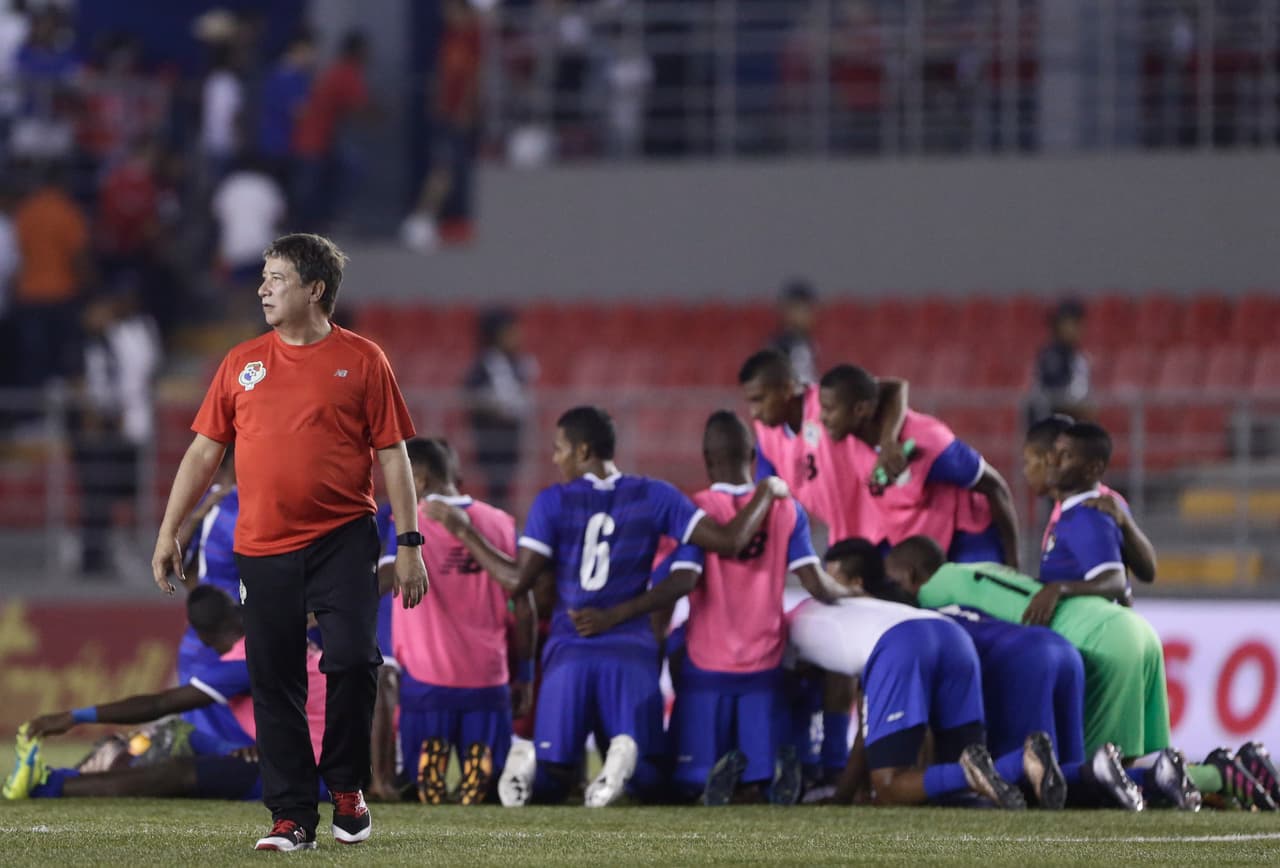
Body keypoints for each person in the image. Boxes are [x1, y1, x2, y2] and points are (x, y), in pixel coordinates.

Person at [150, 233, 427, 852]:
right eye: (264, 277)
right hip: (264, 547)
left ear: (314, 289)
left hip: (344, 540)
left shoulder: (362, 360)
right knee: (275, 681)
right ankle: (292, 816)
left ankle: (347, 785)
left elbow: (393, 455)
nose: (263, 288)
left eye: (276, 278)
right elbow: (203, 452)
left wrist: (408, 542)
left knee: (354, 661)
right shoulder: (241, 362)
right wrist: (170, 530)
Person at [433, 405, 791, 807]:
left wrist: (462, 530)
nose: (555, 458)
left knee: (555, 777)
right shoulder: (655, 495)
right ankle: (625, 762)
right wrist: (766, 490)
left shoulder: (554, 501)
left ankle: (528, 759)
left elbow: (517, 581)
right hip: (630, 654)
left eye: (560, 449)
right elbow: (728, 542)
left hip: (570, 652)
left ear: (583, 451)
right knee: (652, 783)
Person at [881, 537, 1280, 811]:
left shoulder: (926, 599)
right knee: (1107, 771)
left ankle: (1213, 775)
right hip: (1119, 629)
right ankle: (1222, 774)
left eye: (895, 580)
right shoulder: (977, 569)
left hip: (1081, 640)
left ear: (914, 576)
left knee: (1074, 782)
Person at [569, 411, 834, 805]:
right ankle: (772, 774)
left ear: (706, 460)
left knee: (685, 782)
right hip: (764, 668)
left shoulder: (697, 509)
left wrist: (628, 624)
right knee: (764, 769)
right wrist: (854, 593)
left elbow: (679, 582)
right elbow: (815, 582)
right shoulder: (787, 509)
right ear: (750, 455)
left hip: (706, 671)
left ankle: (706, 779)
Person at [2, 586, 326, 803]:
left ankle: (49, 784)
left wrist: (73, 716)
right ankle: (97, 765)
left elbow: (159, 703)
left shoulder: (245, 660)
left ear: (199, 636)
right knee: (182, 735)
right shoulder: (272, 638)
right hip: (318, 758)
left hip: (310, 776)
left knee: (178, 771)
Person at [785, 550, 1054, 809]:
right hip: (952, 635)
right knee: (954, 789)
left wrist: (842, 795)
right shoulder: (854, 605)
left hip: (900, 642)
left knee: (889, 785)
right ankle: (1025, 762)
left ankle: (971, 774)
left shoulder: (789, 624)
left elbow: (866, 721)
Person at [833, 537, 1087, 771]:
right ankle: (1110, 772)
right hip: (1061, 647)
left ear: (908, 577)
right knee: (1072, 772)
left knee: (1027, 775)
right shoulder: (952, 599)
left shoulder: (910, 628)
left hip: (1024, 660)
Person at [381, 437, 534, 805]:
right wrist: (525, 674)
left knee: (421, 793)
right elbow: (525, 602)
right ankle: (512, 765)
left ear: (416, 478)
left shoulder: (405, 525)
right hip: (488, 681)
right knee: (481, 796)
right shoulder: (500, 522)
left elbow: (382, 580)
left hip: (426, 685)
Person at [817, 363, 1020, 566]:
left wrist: (1013, 561)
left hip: (969, 540)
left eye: (829, 410)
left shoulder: (930, 443)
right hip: (917, 545)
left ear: (860, 409)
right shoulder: (850, 439)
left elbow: (996, 487)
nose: (821, 418)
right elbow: (889, 387)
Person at [737, 349, 907, 545]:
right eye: (750, 402)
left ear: (786, 389)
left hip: (887, 529)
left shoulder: (828, 401)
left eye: (759, 400)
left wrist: (888, 442)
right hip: (844, 536)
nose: (754, 412)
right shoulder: (767, 431)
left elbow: (894, 388)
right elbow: (766, 484)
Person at [72, 288, 163, 576]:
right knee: (96, 494)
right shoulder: (78, 343)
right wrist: (92, 415)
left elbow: (126, 379)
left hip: (113, 426)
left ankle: (109, 552)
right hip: (91, 430)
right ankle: (92, 556)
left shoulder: (113, 339)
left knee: (115, 492)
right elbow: (79, 383)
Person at [1023, 415, 1156, 600]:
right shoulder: (1064, 507)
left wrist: (1060, 589)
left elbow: (1139, 575)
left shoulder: (1098, 506)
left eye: (1028, 461)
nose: (1025, 471)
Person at [12, 161, 90, 392]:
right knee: (66, 363)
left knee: (33, 362)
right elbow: (79, 257)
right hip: (61, 295)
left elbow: (17, 253)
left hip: (28, 295)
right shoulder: (67, 212)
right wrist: (91, 288)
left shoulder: (25, 212)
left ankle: (34, 417)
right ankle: (63, 418)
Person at [292, 31, 372, 230]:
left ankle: (315, 223)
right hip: (315, 139)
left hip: (319, 138)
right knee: (347, 173)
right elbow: (359, 107)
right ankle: (318, 222)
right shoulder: (347, 73)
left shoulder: (334, 71)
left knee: (316, 184)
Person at [462, 309, 537, 511]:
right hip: (491, 435)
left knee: (505, 484)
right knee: (495, 484)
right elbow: (471, 394)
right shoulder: (484, 363)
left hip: (511, 434)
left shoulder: (517, 363)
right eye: (510, 331)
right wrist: (494, 407)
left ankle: (500, 518)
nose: (517, 336)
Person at [1028, 299, 1091, 425]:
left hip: (1071, 423)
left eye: (1077, 323)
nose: (1075, 329)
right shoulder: (1051, 355)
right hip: (1049, 425)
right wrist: (1081, 408)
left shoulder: (1077, 356)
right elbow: (1053, 395)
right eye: (1070, 323)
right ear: (1058, 326)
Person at [769, 279, 819, 385]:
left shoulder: (808, 342)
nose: (808, 315)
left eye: (809, 309)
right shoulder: (781, 344)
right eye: (802, 309)